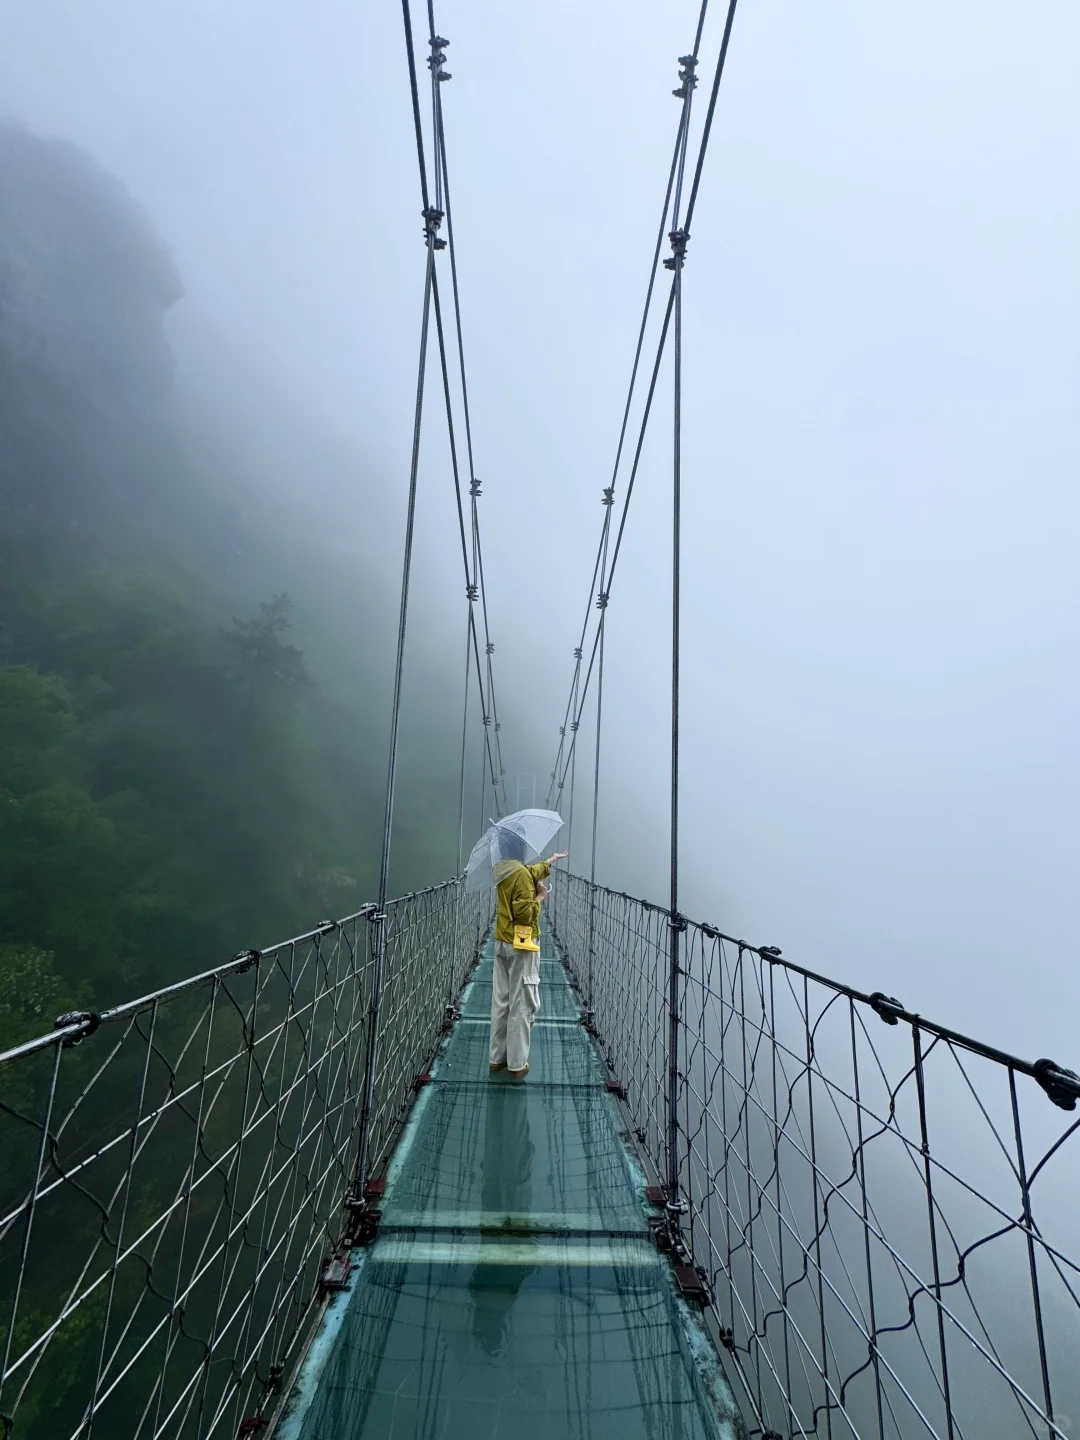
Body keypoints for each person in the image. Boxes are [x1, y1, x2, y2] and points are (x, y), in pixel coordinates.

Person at [489, 836, 568, 1078]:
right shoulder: (521, 873)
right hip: (521, 945)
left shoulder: (501, 869)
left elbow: (528, 872)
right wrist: (541, 897)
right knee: (522, 1002)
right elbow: (525, 914)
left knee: (501, 1001)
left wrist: (550, 862)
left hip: (502, 942)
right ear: (521, 848)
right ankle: (516, 1065)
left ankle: (496, 1059)